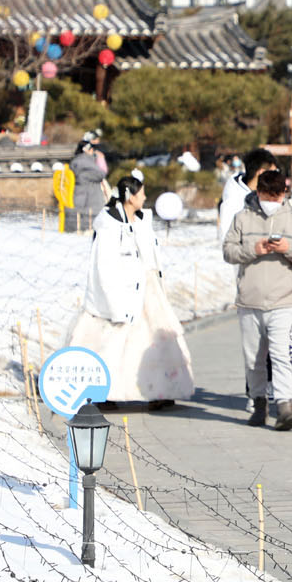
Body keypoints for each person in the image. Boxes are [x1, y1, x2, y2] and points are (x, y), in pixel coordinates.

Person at [64, 170, 195, 407]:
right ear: (130, 196)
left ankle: (159, 390)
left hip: (148, 289)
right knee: (112, 343)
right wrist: (112, 299)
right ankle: (105, 392)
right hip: (120, 291)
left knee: (156, 340)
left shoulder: (142, 220)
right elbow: (103, 266)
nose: (145, 198)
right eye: (142, 193)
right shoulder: (109, 225)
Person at [223, 168, 292, 432]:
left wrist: (289, 249)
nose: (271, 201)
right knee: (253, 358)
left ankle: (285, 406)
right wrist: (254, 249)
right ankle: (258, 402)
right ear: (258, 192)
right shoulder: (242, 217)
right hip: (249, 300)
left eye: (276, 196)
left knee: (281, 356)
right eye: (266, 195)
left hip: (283, 300)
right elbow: (228, 250)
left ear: (284, 193)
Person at [217, 148, 278, 243]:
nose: (276, 178)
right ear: (262, 172)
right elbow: (228, 244)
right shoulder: (234, 204)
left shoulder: (266, 195)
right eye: (274, 173)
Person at [68, 134, 108, 232]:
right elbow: (101, 174)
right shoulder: (84, 162)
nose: (93, 152)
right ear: (86, 150)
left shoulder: (78, 161)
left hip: (83, 198)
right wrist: (100, 159)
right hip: (87, 200)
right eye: (92, 149)